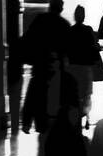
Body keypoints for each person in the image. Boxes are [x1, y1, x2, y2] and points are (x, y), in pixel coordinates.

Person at [21, 1, 73, 134]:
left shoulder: (40, 20)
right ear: (61, 8)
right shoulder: (64, 25)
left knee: (34, 92)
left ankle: (30, 123)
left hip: (40, 64)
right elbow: (68, 50)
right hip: (57, 69)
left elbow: (28, 40)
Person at [67, 6, 101, 128]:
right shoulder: (88, 30)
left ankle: (75, 119)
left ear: (75, 16)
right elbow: (94, 48)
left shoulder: (70, 31)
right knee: (86, 95)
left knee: (74, 95)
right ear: (84, 16)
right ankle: (86, 117)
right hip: (86, 68)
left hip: (73, 68)